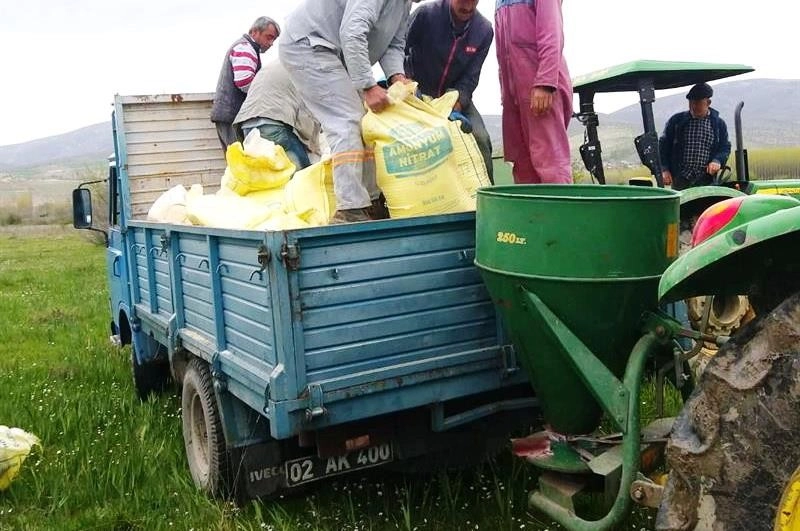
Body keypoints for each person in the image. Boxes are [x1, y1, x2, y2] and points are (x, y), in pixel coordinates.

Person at [279, 0, 420, 224]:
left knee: (368, 123)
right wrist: (368, 85)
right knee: (347, 120)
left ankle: (371, 202)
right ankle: (351, 208)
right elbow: (353, 31)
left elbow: (393, 44)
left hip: (334, 52)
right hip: (308, 46)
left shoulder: (403, 4)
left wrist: (397, 76)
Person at [404, 0, 495, 181]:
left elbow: (471, 76)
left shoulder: (484, 30)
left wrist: (458, 101)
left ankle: (488, 200)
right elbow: (398, 49)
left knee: (480, 138)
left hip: (453, 97)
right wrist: (407, 85)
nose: (468, 7)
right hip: (416, 92)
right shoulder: (425, 14)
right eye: (462, 0)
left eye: (473, 1)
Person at [495, 0, 573, 184]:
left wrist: (545, 82)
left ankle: (560, 212)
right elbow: (503, 53)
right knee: (522, 164)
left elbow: (551, 32)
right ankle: (531, 212)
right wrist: (505, 92)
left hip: (541, 87)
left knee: (550, 162)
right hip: (514, 94)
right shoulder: (499, 2)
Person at [233, 60, 322, 171]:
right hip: (273, 124)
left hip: (247, 127)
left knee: (270, 180)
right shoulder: (310, 69)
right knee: (304, 178)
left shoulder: (281, 62)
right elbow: (310, 117)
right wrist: (316, 150)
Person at [211, 17, 281, 151]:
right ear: (254, 32)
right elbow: (244, 82)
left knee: (237, 160)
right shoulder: (245, 48)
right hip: (232, 115)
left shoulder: (247, 48)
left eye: (274, 39)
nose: (271, 43)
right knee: (240, 161)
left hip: (229, 114)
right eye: (269, 37)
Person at [659, 82, 731, 190]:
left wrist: (717, 161)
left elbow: (724, 147)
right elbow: (663, 146)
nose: (693, 106)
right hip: (680, 178)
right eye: (691, 103)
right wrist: (664, 169)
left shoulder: (718, 124)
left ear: (708, 102)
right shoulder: (677, 121)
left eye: (697, 103)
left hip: (706, 180)